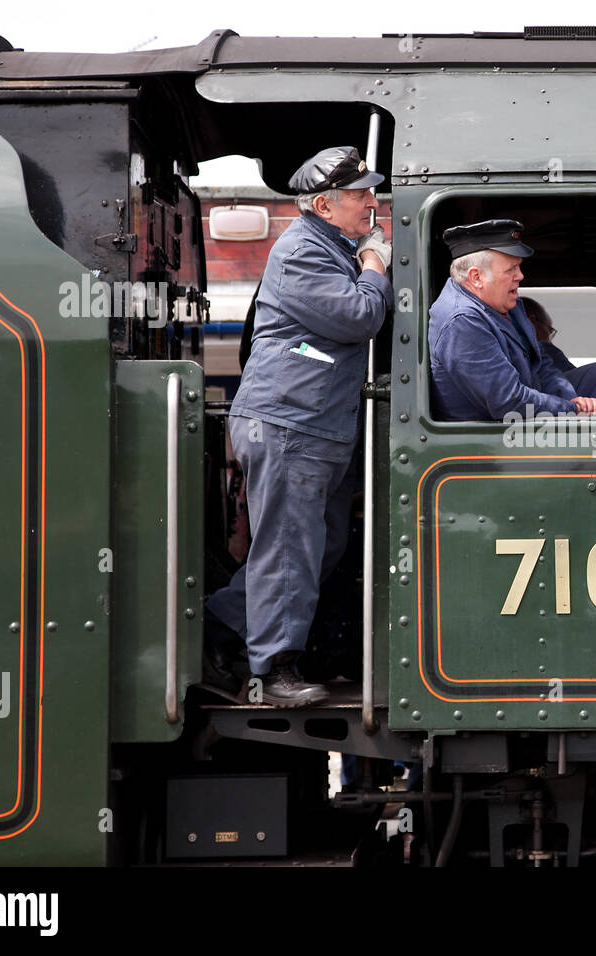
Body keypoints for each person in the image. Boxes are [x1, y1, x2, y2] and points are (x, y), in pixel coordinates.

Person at [205, 145, 393, 707]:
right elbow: (359, 315)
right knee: (289, 551)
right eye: (359, 195)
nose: (371, 203)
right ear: (323, 205)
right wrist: (375, 264)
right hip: (291, 422)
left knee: (318, 547)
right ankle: (270, 674)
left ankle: (215, 629)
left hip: (316, 427)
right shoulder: (301, 252)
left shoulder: (332, 247)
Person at [428, 219, 596, 421]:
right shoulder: (462, 322)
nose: (520, 276)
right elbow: (508, 402)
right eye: (510, 270)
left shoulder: (505, 304)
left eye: (519, 267)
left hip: (519, 424)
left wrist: (573, 399)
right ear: (476, 277)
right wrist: (572, 410)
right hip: (489, 442)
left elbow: (539, 364)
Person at [519, 296, 596, 415]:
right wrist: (576, 405)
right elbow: (560, 383)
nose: (549, 337)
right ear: (532, 323)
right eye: (549, 330)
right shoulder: (542, 348)